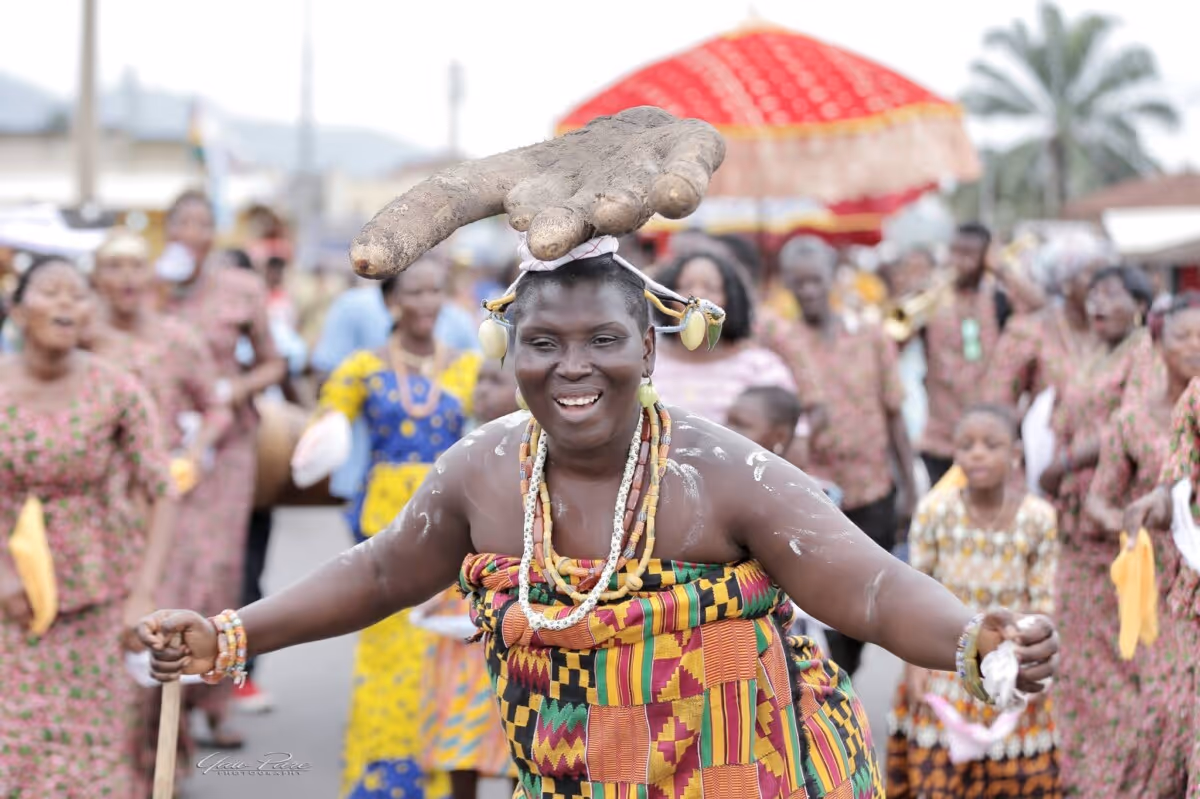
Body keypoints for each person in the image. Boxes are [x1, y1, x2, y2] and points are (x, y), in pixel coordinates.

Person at [141, 244, 1061, 799]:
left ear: (651, 347)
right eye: (543, 343)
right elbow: (381, 572)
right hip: (572, 772)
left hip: (744, 772)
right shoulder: (484, 469)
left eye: (603, 341)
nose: (571, 367)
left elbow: (866, 582)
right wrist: (229, 634)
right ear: (511, 349)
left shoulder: (720, 470)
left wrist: (977, 640)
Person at [0, 256, 177, 797]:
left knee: (95, 758)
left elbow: (162, 491)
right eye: (51, 292)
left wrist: (141, 595)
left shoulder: (116, 389)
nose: (66, 304)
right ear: (18, 309)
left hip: (102, 594)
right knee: (17, 750)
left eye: (78, 295)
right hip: (11, 604)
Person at [313, 256, 481, 798]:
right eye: (416, 291)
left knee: (444, 647)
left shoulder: (469, 367)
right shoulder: (363, 366)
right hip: (386, 522)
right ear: (393, 301)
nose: (427, 302)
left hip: (452, 520)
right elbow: (328, 410)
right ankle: (383, 779)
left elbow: (511, 410)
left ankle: (442, 778)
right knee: (387, 645)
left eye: (436, 291)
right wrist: (323, 435)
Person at [87, 229, 234, 781]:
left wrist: (193, 450)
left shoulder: (177, 338)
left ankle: (167, 749)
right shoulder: (86, 340)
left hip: (169, 502)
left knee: (166, 622)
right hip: (98, 508)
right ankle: (119, 761)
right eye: (113, 266)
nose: (125, 278)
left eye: (134, 266)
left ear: (148, 276)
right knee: (110, 630)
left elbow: (215, 404)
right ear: (98, 279)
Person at [155, 190, 286, 747]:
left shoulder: (240, 288)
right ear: (167, 230)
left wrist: (237, 387)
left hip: (228, 446)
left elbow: (273, 361)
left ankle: (216, 697)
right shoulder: (150, 289)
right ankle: (167, 708)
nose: (192, 230)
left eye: (203, 221)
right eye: (182, 221)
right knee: (168, 568)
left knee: (219, 571)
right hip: (163, 440)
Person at [887, 404, 1060, 799]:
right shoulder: (935, 511)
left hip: (1009, 664)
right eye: (966, 445)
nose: (977, 453)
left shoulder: (1039, 518)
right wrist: (913, 666)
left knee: (1015, 777)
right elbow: (915, 594)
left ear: (1016, 454)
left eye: (991, 444)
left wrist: (1029, 662)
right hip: (943, 662)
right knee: (941, 777)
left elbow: (1042, 601)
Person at [1071, 294, 1200, 797]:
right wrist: (1142, 516)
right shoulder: (1172, 409)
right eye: (1183, 336)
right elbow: (1173, 487)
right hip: (1172, 583)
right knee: (1166, 708)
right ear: (1157, 345)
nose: (1195, 347)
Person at [1036, 265, 1156, 797]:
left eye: (1113, 295)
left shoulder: (1145, 353)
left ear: (1140, 305)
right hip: (1075, 519)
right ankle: (1086, 776)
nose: (1098, 305)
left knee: (1114, 656)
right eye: (1096, 296)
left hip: (1114, 518)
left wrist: (1064, 460)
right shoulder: (1094, 353)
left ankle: (1122, 778)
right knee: (1079, 657)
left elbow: (1125, 425)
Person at [773, 235, 917, 678]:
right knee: (822, 610)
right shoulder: (780, 340)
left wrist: (910, 489)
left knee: (866, 605)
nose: (809, 291)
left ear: (832, 278)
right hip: (813, 496)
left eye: (816, 281)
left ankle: (841, 686)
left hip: (872, 489)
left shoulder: (871, 334)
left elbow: (894, 412)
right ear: (787, 286)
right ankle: (829, 699)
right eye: (798, 284)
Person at [420, 356, 521, 799]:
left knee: (518, 728)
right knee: (458, 724)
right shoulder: (460, 454)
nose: (480, 390)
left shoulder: (537, 456)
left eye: (494, 381)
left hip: (517, 610)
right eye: (479, 380)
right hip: (458, 608)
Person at [919, 223, 1045, 486]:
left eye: (969, 254)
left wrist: (1000, 268)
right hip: (941, 438)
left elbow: (1040, 308)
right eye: (955, 252)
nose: (959, 262)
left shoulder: (999, 300)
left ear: (985, 257)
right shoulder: (930, 300)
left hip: (990, 441)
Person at [648, 250, 817, 430]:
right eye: (685, 286)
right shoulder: (647, 363)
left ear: (731, 300)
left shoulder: (760, 368)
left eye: (710, 288)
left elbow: (793, 437)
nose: (696, 297)